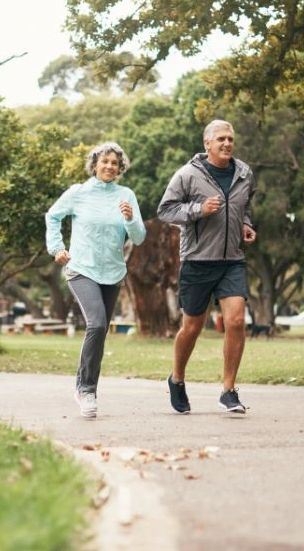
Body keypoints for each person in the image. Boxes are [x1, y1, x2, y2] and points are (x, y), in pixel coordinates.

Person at [157, 119, 257, 414]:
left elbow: (245, 204)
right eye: (221, 139)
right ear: (207, 144)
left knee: (236, 320)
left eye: (230, 139)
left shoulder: (244, 173)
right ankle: (177, 379)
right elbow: (165, 210)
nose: (227, 144)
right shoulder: (187, 175)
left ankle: (228, 390)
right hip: (198, 261)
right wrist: (198, 210)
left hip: (231, 261)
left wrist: (246, 224)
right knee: (192, 327)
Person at [45, 141, 146, 419]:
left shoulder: (126, 195)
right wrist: (57, 247)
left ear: (120, 167)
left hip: (112, 273)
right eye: (105, 161)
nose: (110, 166)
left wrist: (129, 219)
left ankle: (83, 385)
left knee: (100, 332)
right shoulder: (78, 193)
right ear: (95, 165)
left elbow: (138, 237)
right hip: (81, 268)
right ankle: (87, 390)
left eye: (115, 163)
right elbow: (53, 216)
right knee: (97, 323)